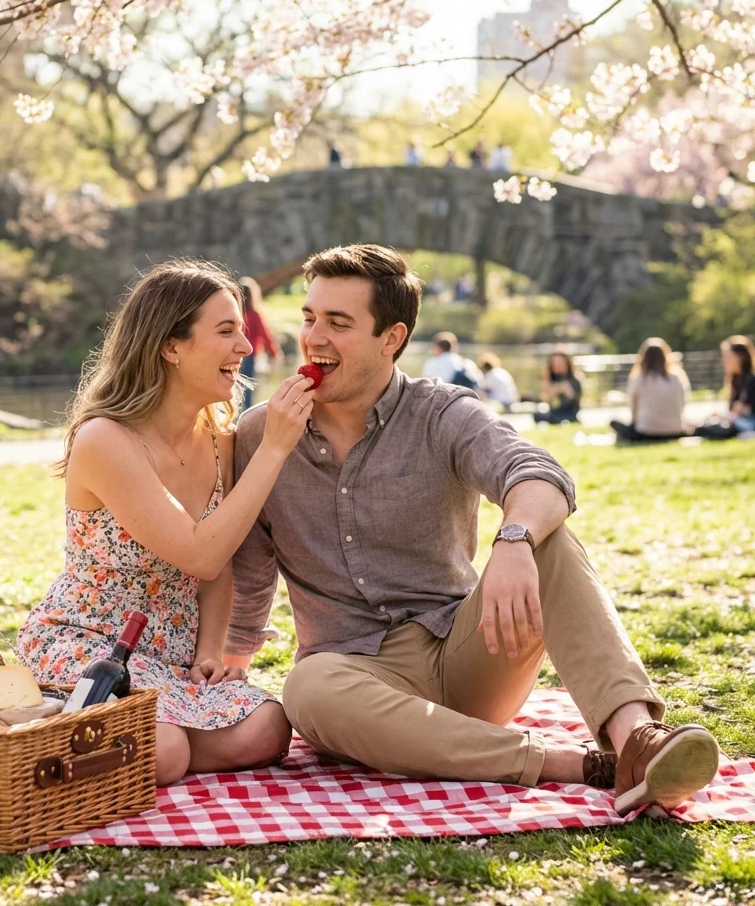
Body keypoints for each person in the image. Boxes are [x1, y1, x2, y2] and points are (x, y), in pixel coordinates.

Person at [225, 243, 720, 817]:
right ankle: (579, 764)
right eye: (310, 318)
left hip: (466, 651)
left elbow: (540, 473)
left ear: (392, 338)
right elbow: (252, 561)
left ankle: (637, 739)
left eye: (339, 323)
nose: (314, 338)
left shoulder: (442, 412)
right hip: (352, 676)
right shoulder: (263, 432)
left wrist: (513, 542)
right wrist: (231, 658)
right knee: (305, 688)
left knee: (549, 539)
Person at [18, 260, 313, 786]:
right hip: (91, 642)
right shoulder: (106, 440)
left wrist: (208, 651)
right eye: (226, 332)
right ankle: (24, 736)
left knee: (269, 728)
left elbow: (215, 566)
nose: (244, 348)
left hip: (172, 660)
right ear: (170, 346)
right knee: (164, 751)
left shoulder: (218, 436)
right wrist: (274, 449)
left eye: (241, 331)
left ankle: (101, 738)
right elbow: (198, 552)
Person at [610, 339, 690, 443]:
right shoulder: (677, 377)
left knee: (614, 423)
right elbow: (683, 403)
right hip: (676, 431)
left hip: (646, 432)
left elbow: (633, 410)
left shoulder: (639, 378)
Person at [693, 335, 755, 440]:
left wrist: (743, 409)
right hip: (737, 422)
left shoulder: (751, 380)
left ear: (740, 357)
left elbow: (748, 409)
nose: (724, 361)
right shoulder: (735, 380)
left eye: (728, 357)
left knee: (706, 429)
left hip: (748, 424)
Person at [239, 277, 283, 411]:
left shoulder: (236, 314)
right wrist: (275, 352)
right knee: (248, 389)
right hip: (250, 356)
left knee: (236, 387)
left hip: (234, 355)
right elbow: (265, 334)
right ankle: (246, 415)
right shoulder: (254, 314)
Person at [533, 352, 582, 424]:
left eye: (560, 363)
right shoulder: (552, 379)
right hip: (555, 412)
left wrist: (566, 390)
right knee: (537, 415)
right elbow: (548, 402)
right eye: (554, 364)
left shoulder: (574, 379)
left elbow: (574, 401)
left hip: (569, 413)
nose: (557, 366)